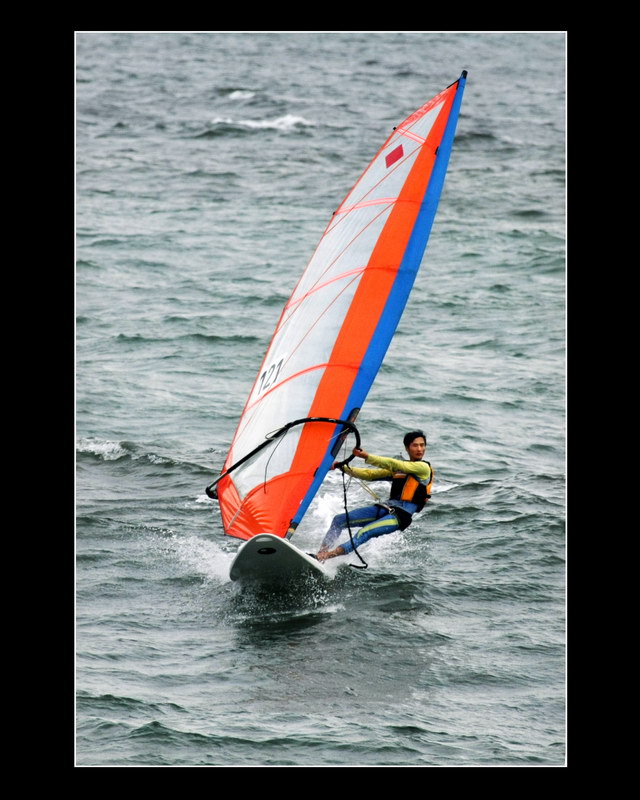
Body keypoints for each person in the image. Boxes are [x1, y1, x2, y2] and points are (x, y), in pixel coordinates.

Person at [316, 430, 433, 561]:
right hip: (386, 508)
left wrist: (366, 456)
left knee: (364, 532)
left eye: (422, 445)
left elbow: (395, 463)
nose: (420, 449)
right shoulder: (400, 471)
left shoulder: (423, 468)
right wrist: (342, 467)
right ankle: (320, 554)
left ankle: (325, 557)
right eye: (415, 445)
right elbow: (370, 474)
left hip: (400, 516)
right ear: (407, 448)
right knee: (339, 520)